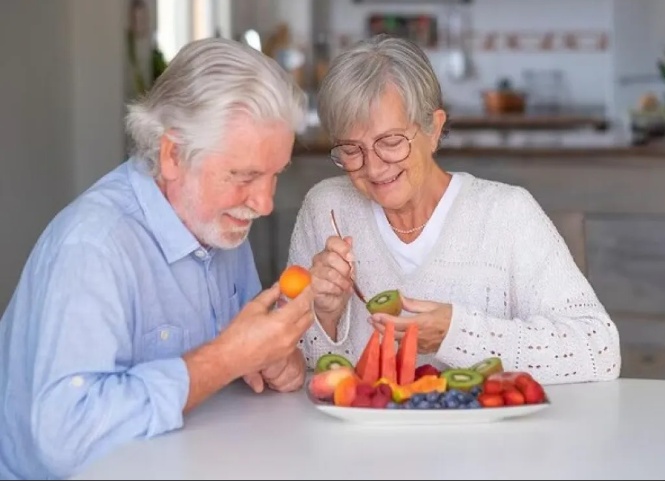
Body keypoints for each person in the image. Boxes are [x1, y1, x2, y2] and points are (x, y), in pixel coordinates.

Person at [0, 37, 314, 481]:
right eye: (244, 177)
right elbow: (62, 442)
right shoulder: (94, 247)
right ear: (172, 155)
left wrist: (276, 360)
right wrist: (227, 358)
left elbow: (243, 365)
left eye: (274, 175)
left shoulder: (221, 224)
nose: (264, 204)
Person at [288, 34, 621, 385]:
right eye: (351, 149)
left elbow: (599, 352)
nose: (373, 168)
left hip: (484, 440)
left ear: (434, 129)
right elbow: (292, 364)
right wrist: (325, 315)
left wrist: (457, 335)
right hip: (361, 439)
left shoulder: (507, 214)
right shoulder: (326, 209)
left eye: (390, 142)